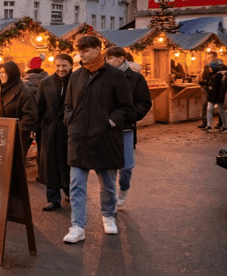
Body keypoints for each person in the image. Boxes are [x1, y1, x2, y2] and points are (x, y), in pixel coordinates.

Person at [62, 36, 133, 243]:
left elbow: (126, 107)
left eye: (85, 50)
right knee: (76, 185)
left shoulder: (115, 76)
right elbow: (68, 105)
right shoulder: (76, 76)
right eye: (79, 51)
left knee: (108, 185)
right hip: (79, 139)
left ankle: (108, 215)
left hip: (105, 138)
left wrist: (110, 122)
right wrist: (71, 122)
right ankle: (77, 226)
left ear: (97, 49)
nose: (81, 54)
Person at [104, 47, 152, 209]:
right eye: (107, 57)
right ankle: (110, 198)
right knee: (108, 166)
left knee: (126, 167)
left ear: (121, 58)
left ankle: (123, 190)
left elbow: (144, 102)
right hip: (107, 128)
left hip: (125, 129)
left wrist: (130, 117)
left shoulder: (136, 78)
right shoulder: (103, 76)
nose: (108, 61)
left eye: (110, 58)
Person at [35, 53, 72, 211]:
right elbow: (39, 107)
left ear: (70, 66)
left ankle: (71, 192)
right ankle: (53, 198)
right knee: (50, 163)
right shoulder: (45, 82)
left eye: (64, 65)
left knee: (69, 163)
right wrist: (35, 129)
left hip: (70, 129)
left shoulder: (77, 81)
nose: (61, 69)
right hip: (50, 129)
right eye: (58, 65)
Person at [0, 61, 37, 158]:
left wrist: (15, 131)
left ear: (12, 74)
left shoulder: (24, 92)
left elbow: (30, 116)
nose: (1, 75)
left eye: (4, 72)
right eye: (0, 72)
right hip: (0, 138)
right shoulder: (1, 91)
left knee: (14, 168)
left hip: (17, 140)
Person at [198, 52, 225, 129]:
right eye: (208, 57)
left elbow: (221, 74)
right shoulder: (207, 65)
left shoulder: (220, 64)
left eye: (211, 57)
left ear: (215, 57)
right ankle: (205, 122)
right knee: (205, 104)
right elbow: (205, 76)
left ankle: (221, 123)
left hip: (217, 87)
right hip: (206, 87)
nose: (209, 59)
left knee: (220, 105)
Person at [205, 61, 227, 133]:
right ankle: (209, 125)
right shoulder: (212, 74)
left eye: (210, 67)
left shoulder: (219, 75)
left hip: (217, 94)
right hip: (212, 94)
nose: (209, 69)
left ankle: (225, 126)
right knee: (211, 109)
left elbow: (220, 86)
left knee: (220, 110)